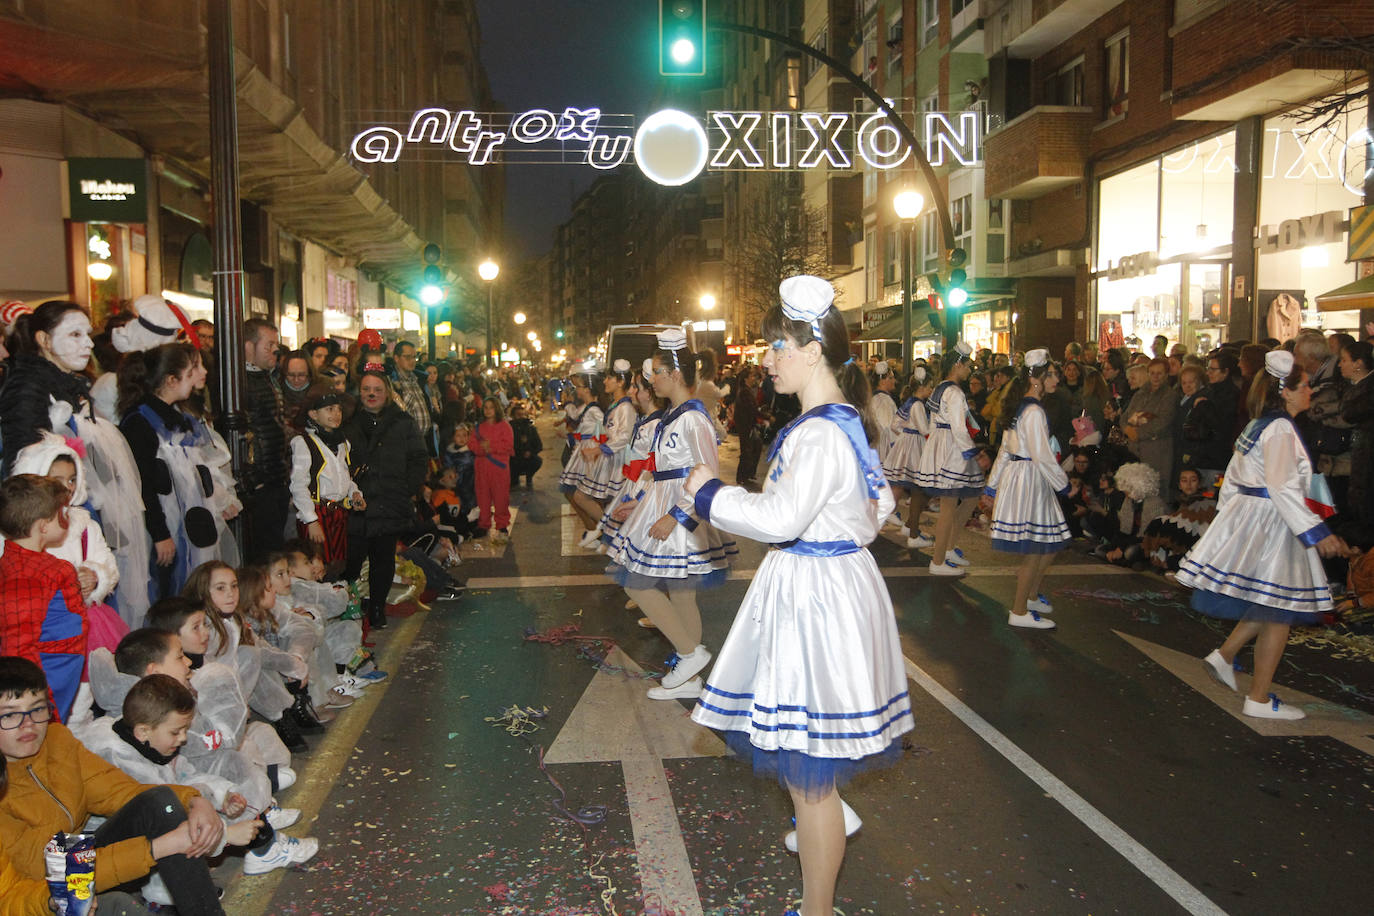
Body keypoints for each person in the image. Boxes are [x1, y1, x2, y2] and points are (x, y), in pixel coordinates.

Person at [684, 276, 914, 916]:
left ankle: (818, 905)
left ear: (812, 350)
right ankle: (828, 825)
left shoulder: (819, 431)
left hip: (816, 595)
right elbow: (881, 505)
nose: (767, 358)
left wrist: (708, 492)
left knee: (808, 772)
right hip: (830, 585)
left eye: (777, 345)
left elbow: (782, 519)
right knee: (802, 761)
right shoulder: (843, 421)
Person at [1177, 351, 1352, 719]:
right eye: (1304, 386)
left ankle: (1225, 656)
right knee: (1281, 609)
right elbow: (1282, 487)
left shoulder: (1258, 424)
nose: (1310, 392)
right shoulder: (1280, 428)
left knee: (1270, 600)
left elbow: (1234, 478)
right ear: (1285, 391)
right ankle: (1257, 698)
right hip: (1274, 523)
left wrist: (1227, 524)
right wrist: (1316, 532)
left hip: (1254, 519)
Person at [0, 656, 226, 915]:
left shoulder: (56, 740)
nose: (28, 724)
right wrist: (156, 849)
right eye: (10, 715)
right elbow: (43, 870)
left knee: (160, 802)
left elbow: (123, 793)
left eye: (37, 709)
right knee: (118, 905)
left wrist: (194, 800)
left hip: (80, 859)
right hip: (43, 891)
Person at [605, 329, 735, 700]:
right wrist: (642, 500)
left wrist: (675, 515)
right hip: (662, 505)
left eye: (657, 372)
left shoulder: (693, 419)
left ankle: (690, 654)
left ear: (675, 374)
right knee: (680, 593)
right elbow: (662, 472)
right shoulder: (672, 417)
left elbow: (706, 474)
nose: (652, 379)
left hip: (679, 513)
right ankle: (689, 675)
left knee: (636, 583)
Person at [116, 342, 225, 602]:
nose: (199, 375)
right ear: (171, 380)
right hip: (162, 527)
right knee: (166, 593)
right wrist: (160, 533)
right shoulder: (140, 421)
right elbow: (143, 484)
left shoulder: (176, 416)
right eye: (192, 371)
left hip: (183, 523)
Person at [983, 350, 1069, 630]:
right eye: (1052, 374)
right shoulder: (1032, 411)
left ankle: (1030, 596)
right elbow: (1041, 455)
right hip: (1030, 478)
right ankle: (1019, 609)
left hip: (1027, 476)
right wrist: (1064, 484)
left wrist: (993, 486)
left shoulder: (1023, 408)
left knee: (1050, 543)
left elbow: (1004, 453)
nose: (1057, 379)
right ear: (1038, 378)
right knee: (1036, 546)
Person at [341, 369, 428, 631]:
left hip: (390, 501)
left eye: (377, 389)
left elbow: (418, 458)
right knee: (351, 560)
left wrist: (407, 489)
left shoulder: (402, 422)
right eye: (367, 389)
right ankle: (349, 607)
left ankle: (377, 607)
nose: (371, 394)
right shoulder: (349, 422)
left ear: (387, 393)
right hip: (357, 503)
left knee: (383, 559)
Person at [0, 475, 88, 720]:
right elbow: (17, 645)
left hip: (61, 669)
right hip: (47, 674)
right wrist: (37, 704)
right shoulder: (31, 574)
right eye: (62, 512)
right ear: (43, 525)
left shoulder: (29, 565)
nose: (67, 517)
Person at [915, 342, 984, 575]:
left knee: (971, 495)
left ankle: (948, 548)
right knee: (949, 504)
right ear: (958, 365)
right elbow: (958, 427)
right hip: (952, 447)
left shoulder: (942, 388)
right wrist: (971, 450)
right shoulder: (954, 391)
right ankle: (938, 559)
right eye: (967, 365)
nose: (969, 370)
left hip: (943, 443)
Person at [289, 384, 365, 571]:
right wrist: (311, 521)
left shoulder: (342, 443)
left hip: (338, 514)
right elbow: (298, 485)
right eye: (329, 409)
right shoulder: (304, 443)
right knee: (316, 565)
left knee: (337, 565)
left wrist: (354, 494)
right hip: (317, 513)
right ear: (313, 414)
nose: (336, 414)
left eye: (339, 409)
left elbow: (345, 477)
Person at [241, 318, 290, 560]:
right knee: (265, 555)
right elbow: (245, 433)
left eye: (276, 345)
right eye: (268, 345)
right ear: (249, 347)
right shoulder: (240, 383)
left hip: (276, 477)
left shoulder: (268, 377)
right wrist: (255, 479)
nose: (275, 350)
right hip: (261, 483)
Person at [882, 367, 934, 547]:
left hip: (906, 443)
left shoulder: (909, 402)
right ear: (923, 387)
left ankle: (911, 526)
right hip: (915, 446)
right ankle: (913, 532)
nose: (931, 390)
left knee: (917, 488)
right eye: (930, 386)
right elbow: (925, 429)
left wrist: (905, 431)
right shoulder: (918, 405)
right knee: (920, 488)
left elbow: (894, 424)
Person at [558, 363, 608, 545]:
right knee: (578, 493)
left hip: (590, 456)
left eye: (579, 386)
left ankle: (605, 529)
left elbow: (607, 429)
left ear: (587, 389)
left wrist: (597, 446)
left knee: (582, 494)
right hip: (582, 454)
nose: (576, 389)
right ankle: (596, 529)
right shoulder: (587, 407)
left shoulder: (594, 410)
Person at [1122, 357, 1177, 483]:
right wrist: (1127, 429)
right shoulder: (1139, 394)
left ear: (1166, 374)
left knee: (1156, 487)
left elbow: (1163, 421)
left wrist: (1138, 433)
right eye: (1152, 373)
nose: (1155, 377)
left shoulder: (1170, 396)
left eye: (1159, 373)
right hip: (1135, 450)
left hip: (1157, 451)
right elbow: (1125, 416)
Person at [469, 396, 515, 538]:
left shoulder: (504, 426)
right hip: (482, 468)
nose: (488, 410)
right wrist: (483, 449)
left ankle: (502, 524)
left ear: (497, 409)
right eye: (486, 407)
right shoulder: (479, 427)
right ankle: (484, 524)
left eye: (491, 407)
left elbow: (508, 445)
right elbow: (472, 444)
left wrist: (490, 447)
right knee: (483, 497)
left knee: (501, 497)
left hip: (499, 469)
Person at [390, 340, 435, 455]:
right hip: (406, 445)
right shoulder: (391, 382)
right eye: (407, 357)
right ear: (396, 358)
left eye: (414, 357)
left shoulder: (418, 379)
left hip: (424, 441)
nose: (412, 361)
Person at [732, 365, 763, 486]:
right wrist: (766, 416)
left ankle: (748, 474)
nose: (753, 378)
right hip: (745, 425)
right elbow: (752, 409)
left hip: (748, 424)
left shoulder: (747, 390)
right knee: (746, 450)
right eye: (751, 376)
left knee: (754, 447)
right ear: (746, 379)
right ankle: (742, 476)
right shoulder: (745, 392)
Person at [508, 402, 544, 488]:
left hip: (528, 457)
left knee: (537, 461)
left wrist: (530, 452)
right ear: (513, 416)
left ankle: (529, 477)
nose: (521, 417)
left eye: (523, 415)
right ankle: (514, 478)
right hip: (514, 459)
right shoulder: (509, 429)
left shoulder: (531, 429)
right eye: (518, 415)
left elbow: (539, 445)